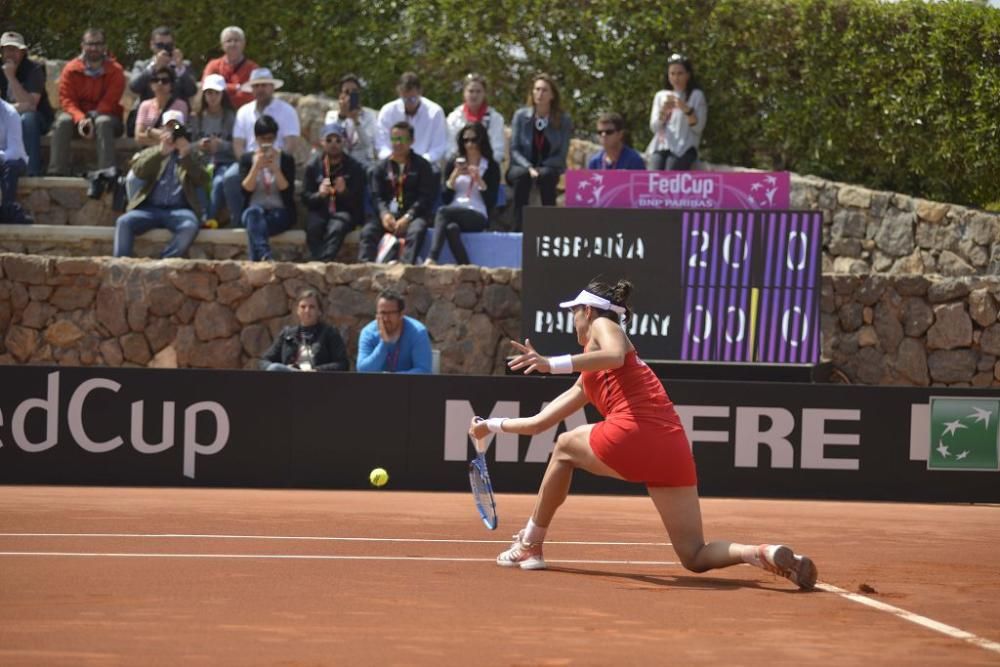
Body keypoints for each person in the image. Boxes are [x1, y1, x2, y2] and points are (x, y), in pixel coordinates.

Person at [469, 278, 818, 591]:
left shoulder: (604, 325)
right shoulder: (589, 380)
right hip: (673, 448)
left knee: (564, 446)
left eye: (575, 312)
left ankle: (531, 544)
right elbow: (537, 423)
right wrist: (490, 425)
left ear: (588, 312)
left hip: (633, 432)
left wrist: (551, 363)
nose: (573, 319)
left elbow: (615, 354)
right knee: (694, 554)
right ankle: (759, 553)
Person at [112, 110, 206, 258]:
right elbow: (138, 171)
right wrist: (161, 153)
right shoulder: (152, 152)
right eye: (168, 128)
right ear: (162, 129)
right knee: (124, 222)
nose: (172, 133)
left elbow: (201, 179)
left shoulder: (192, 154)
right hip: (150, 209)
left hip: (178, 209)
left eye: (176, 128)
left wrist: (185, 156)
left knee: (190, 226)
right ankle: (121, 263)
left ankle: (164, 262)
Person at [223, 67, 301, 226]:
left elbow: (291, 142)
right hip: (251, 159)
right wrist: (248, 162)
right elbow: (238, 144)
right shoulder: (243, 112)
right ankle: (238, 221)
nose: (260, 89)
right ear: (251, 89)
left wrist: (275, 161)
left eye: (264, 85)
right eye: (256, 86)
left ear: (272, 87)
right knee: (229, 178)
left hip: (277, 159)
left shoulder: (287, 111)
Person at [47, 27, 125, 176]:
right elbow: (66, 100)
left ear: (105, 47)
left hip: (107, 119)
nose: (94, 48)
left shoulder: (116, 70)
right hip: (78, 120)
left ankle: (107, 174)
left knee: (103, 122)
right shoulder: (70, 69)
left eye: (98, 44)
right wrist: (81, 119)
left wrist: (92, 118)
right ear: (83, 46)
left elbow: (110, 101)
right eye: (90, 44)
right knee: (62, 121)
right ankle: (56, 172)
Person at [361, 121, 436, 264]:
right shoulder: (380, 167)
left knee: (417, 230)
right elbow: (376, 196)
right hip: (387, 216)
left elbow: (425, 197)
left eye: (403, 139)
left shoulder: (422, 166)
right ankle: (366, 270)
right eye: (395, 139)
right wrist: (384, 214)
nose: (398, 143)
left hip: (413, 215)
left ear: (412, 141)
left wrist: (408, 216)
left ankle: (404, 269)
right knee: (368, 232)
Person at [425, 122, 499, 265]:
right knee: (451, 228)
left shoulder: (490, 166)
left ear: (482, 140)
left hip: (477, 214)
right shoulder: (454, 162)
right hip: (454, 209)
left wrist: (479, 180)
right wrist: (454, 176)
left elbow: (491, 201)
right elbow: (446, 198)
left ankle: (432, 257)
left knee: (442, 212)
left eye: (474, 140)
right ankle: (466, 266)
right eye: (466, 140)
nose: (469, 144)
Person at [507, 74, 572, 232]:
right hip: (522, 166)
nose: (540, 94)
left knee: (547, 176)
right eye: (537, 89)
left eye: (544, 90)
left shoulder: (563, 120)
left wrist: (541, 168)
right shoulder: (521, 116)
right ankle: (517, 230)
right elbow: (514, 149)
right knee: (521, 177)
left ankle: (550, 229)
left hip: (549, 167)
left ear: (552, 95)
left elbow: (561, 154)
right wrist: (529, 167)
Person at [302, 121, 366, 262]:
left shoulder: (354, 167)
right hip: (320, 210)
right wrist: (319, 195)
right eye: (329, 140)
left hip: (344, 212)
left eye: (338, 140)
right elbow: (305, 198)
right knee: (313, 226)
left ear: (343, 142)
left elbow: (358, 202)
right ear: (322, 142)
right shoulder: (313, 166)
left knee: (337, 226)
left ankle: (323, 263)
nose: (333, 144)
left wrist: (344, 192)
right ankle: (319, 261)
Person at [239, 114, 296, 262]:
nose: (266, 142)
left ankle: (258, 261)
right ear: (256, 139)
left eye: (270, 138)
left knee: (255, 228)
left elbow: (288, 192)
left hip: (279, 212)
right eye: (262, 139)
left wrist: (276, 170)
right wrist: (256, 167)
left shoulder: (286, 159)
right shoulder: (247, 159)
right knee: (253, 215)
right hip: (254, 211)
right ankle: (265, 255)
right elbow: (245, 190)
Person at [0, 31, 54, 177]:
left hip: (38, 119)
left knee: (28, 118)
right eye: (7, 49)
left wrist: (11, 77)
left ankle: (32, 172)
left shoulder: (34, 69)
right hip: (8, 118)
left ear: (23, 52)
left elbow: (31, 105)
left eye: (15, 49)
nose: (11, 54)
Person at [260, 289, 349, 372]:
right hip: (289, 379)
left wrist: (317, 370)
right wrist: (286, 368)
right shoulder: (287, 334)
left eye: (312, 307)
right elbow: (264, 361)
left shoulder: (329, 333)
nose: (307, 310)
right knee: (275, 368)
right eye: (303, 307)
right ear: (297, 311)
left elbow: (343, 364)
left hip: (317, 381)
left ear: (319, 311)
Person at [189, 73, 236, 228]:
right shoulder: (196, 117)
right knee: (199, 182)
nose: (213, 97)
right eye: (209, 93)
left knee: (218, 183)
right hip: (202, 162)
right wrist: (199, 145)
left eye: (217, 93)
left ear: (223, 94)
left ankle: (208, 220)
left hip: (224, 162)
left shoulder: (231, 117)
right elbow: (187, 145)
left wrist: (221, 145)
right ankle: (204, 219)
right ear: (204, 95)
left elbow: (237, 147)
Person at [646, 53, 707, 171]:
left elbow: (698, 128)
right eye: (672, 74)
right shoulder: (661, 95)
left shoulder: (696, 96)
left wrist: (686, 109)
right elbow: (654, 127)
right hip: (661, 146)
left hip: (685, 148)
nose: (676, 78)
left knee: (671, 173)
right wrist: (664, 112)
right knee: (653, 175)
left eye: (680, 73)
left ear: (688, 75)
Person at [375, 72, 448, 170]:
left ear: (420, 92)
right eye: (405, 99)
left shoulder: (435, 112)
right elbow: (381, 145)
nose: (409, 103)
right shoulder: (387, 111)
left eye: (413, 99)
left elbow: (439, 147)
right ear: (399, 93)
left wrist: (417, 163)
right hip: (394, 165)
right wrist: (396, 160)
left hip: (425, 166)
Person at [356, 289, 433, 374]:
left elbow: (424, 370)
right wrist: (384, 344)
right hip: (376, 386)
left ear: (401, 314)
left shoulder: (418, 332)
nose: (385, 319)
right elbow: (363, 371)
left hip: (409, 386)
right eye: (382, 313)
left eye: (390, 313)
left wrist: (393, 378)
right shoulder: (368, 333)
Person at [127, 26, 197, 109]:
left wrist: (180, 69)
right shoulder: (142, 66)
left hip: (176, 116)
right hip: (149, 116)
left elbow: (192, 91)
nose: (164, 50)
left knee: (174, 120)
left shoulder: (184, 66)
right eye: (160, 45)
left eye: (168, 46)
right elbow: (134, 87)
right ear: (152, 45)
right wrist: (153, 67)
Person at [323, 74, 378, 171]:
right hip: (339, 163)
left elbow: (367, 145)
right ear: (340, 95)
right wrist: (341, 116)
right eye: (347, 92)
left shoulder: (369, 116)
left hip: (362, 164)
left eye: (354, 91)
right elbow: (331, 141)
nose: (350, 95)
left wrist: (356, 121)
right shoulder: (332, 116)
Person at [445, 73, 505, 162]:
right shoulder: (453, 118)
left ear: (485, 93)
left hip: (487, 166)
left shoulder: (495, 118)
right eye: (471, 91)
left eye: (478, 91)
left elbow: (498, 150)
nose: (474, 95)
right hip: (460, 164)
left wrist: (480, 164)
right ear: (464, 93)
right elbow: (450, 148)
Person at [200, 26, 257, 109]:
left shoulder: (253, 68)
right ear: (222, 45)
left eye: (236, 40)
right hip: (218, 114)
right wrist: (236, 87)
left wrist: (222, 88)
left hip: (244, 112)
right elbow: (206, 86)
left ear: (244, 43)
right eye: (229, 41)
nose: (233, 44)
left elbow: (249, 94)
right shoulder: (213, 65)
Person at [132, 65, 189, 147]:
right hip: (149, 154)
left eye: (164, 81)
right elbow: (138, 136)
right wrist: (159, 137)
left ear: (171, 85)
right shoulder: (145, 105)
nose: (159, 83)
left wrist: (150, 132)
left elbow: (178, 131)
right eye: (155, 80)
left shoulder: (180, 105)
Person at [0, 97, 31, 223]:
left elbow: (15, 150)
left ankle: (7, 209)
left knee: (10, 167)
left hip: (14, 160)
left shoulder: (10, 113)